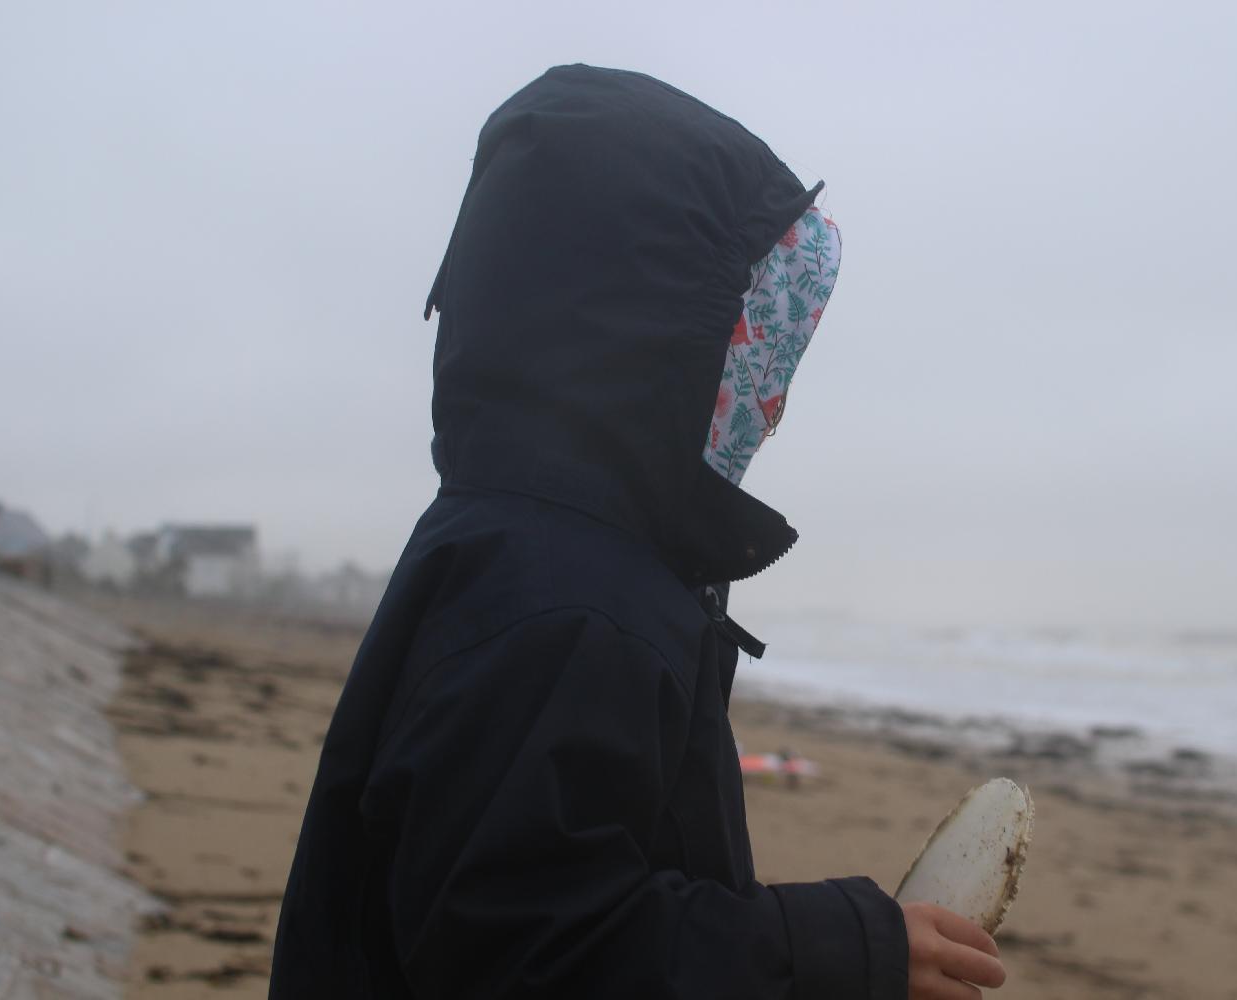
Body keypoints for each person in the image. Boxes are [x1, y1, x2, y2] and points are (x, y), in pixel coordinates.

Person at [269, 63, 1006, 1000]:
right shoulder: (572, 601)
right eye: (757, 357)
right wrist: (846, 950)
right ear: (653, 348)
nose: (772, 408)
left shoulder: (527, 548)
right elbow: (532, 953)